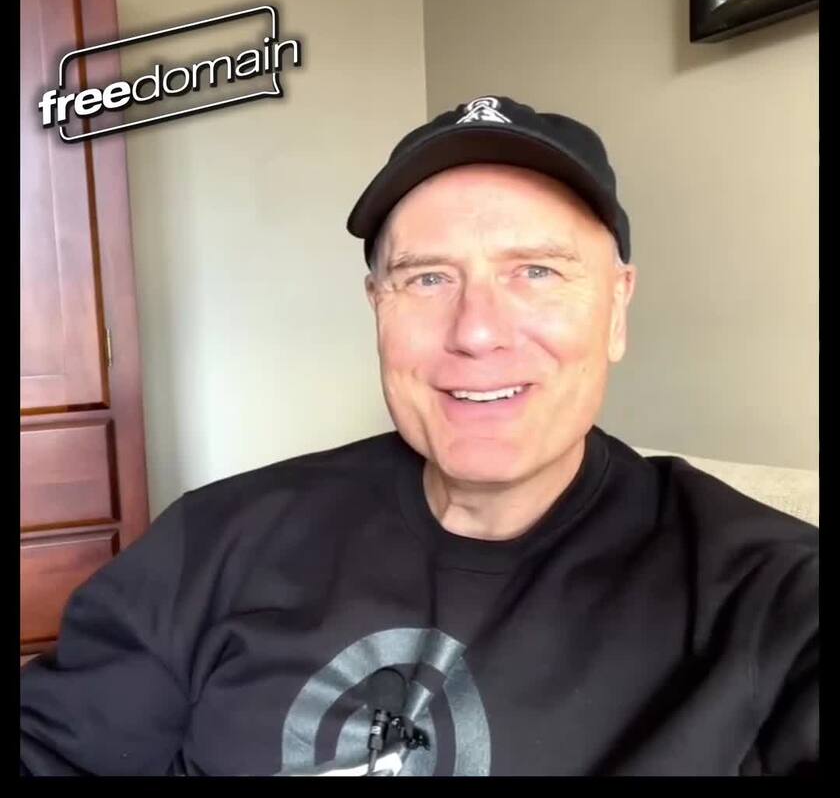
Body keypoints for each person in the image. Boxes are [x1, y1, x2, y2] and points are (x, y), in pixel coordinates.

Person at [20, 95, 818, 777]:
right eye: (427, 277)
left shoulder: (771, 597)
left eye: (536, 271)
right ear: (377, 305)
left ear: (616, 307)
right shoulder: (213, 543)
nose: (476, 331)